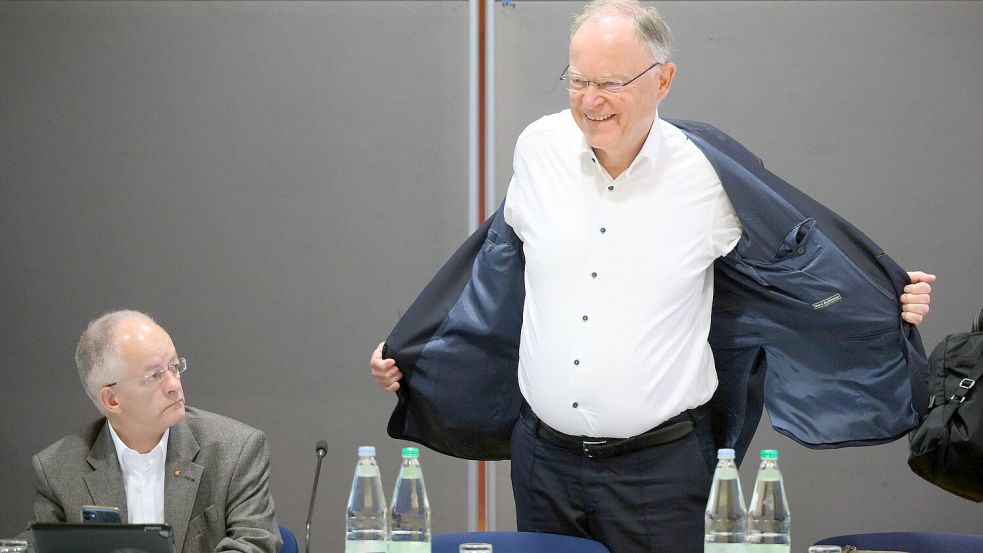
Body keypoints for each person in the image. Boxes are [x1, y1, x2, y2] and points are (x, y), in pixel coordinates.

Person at [371, 1, 935, 552]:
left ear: (663, 81)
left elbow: (800, 261)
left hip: (662, 473)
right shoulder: (537, 150)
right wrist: (415, 350)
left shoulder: (708, 177)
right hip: (543, 463)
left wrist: (885, 296)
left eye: (612, 83)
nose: (591, 101)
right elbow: (490, 272)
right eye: (577, 79)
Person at [21, 310, 281, 553]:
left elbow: (255, 543)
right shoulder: (59, 469)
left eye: (174, 367)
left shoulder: (235, 450)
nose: (173, 385)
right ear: (112, 399)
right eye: (154, 376)